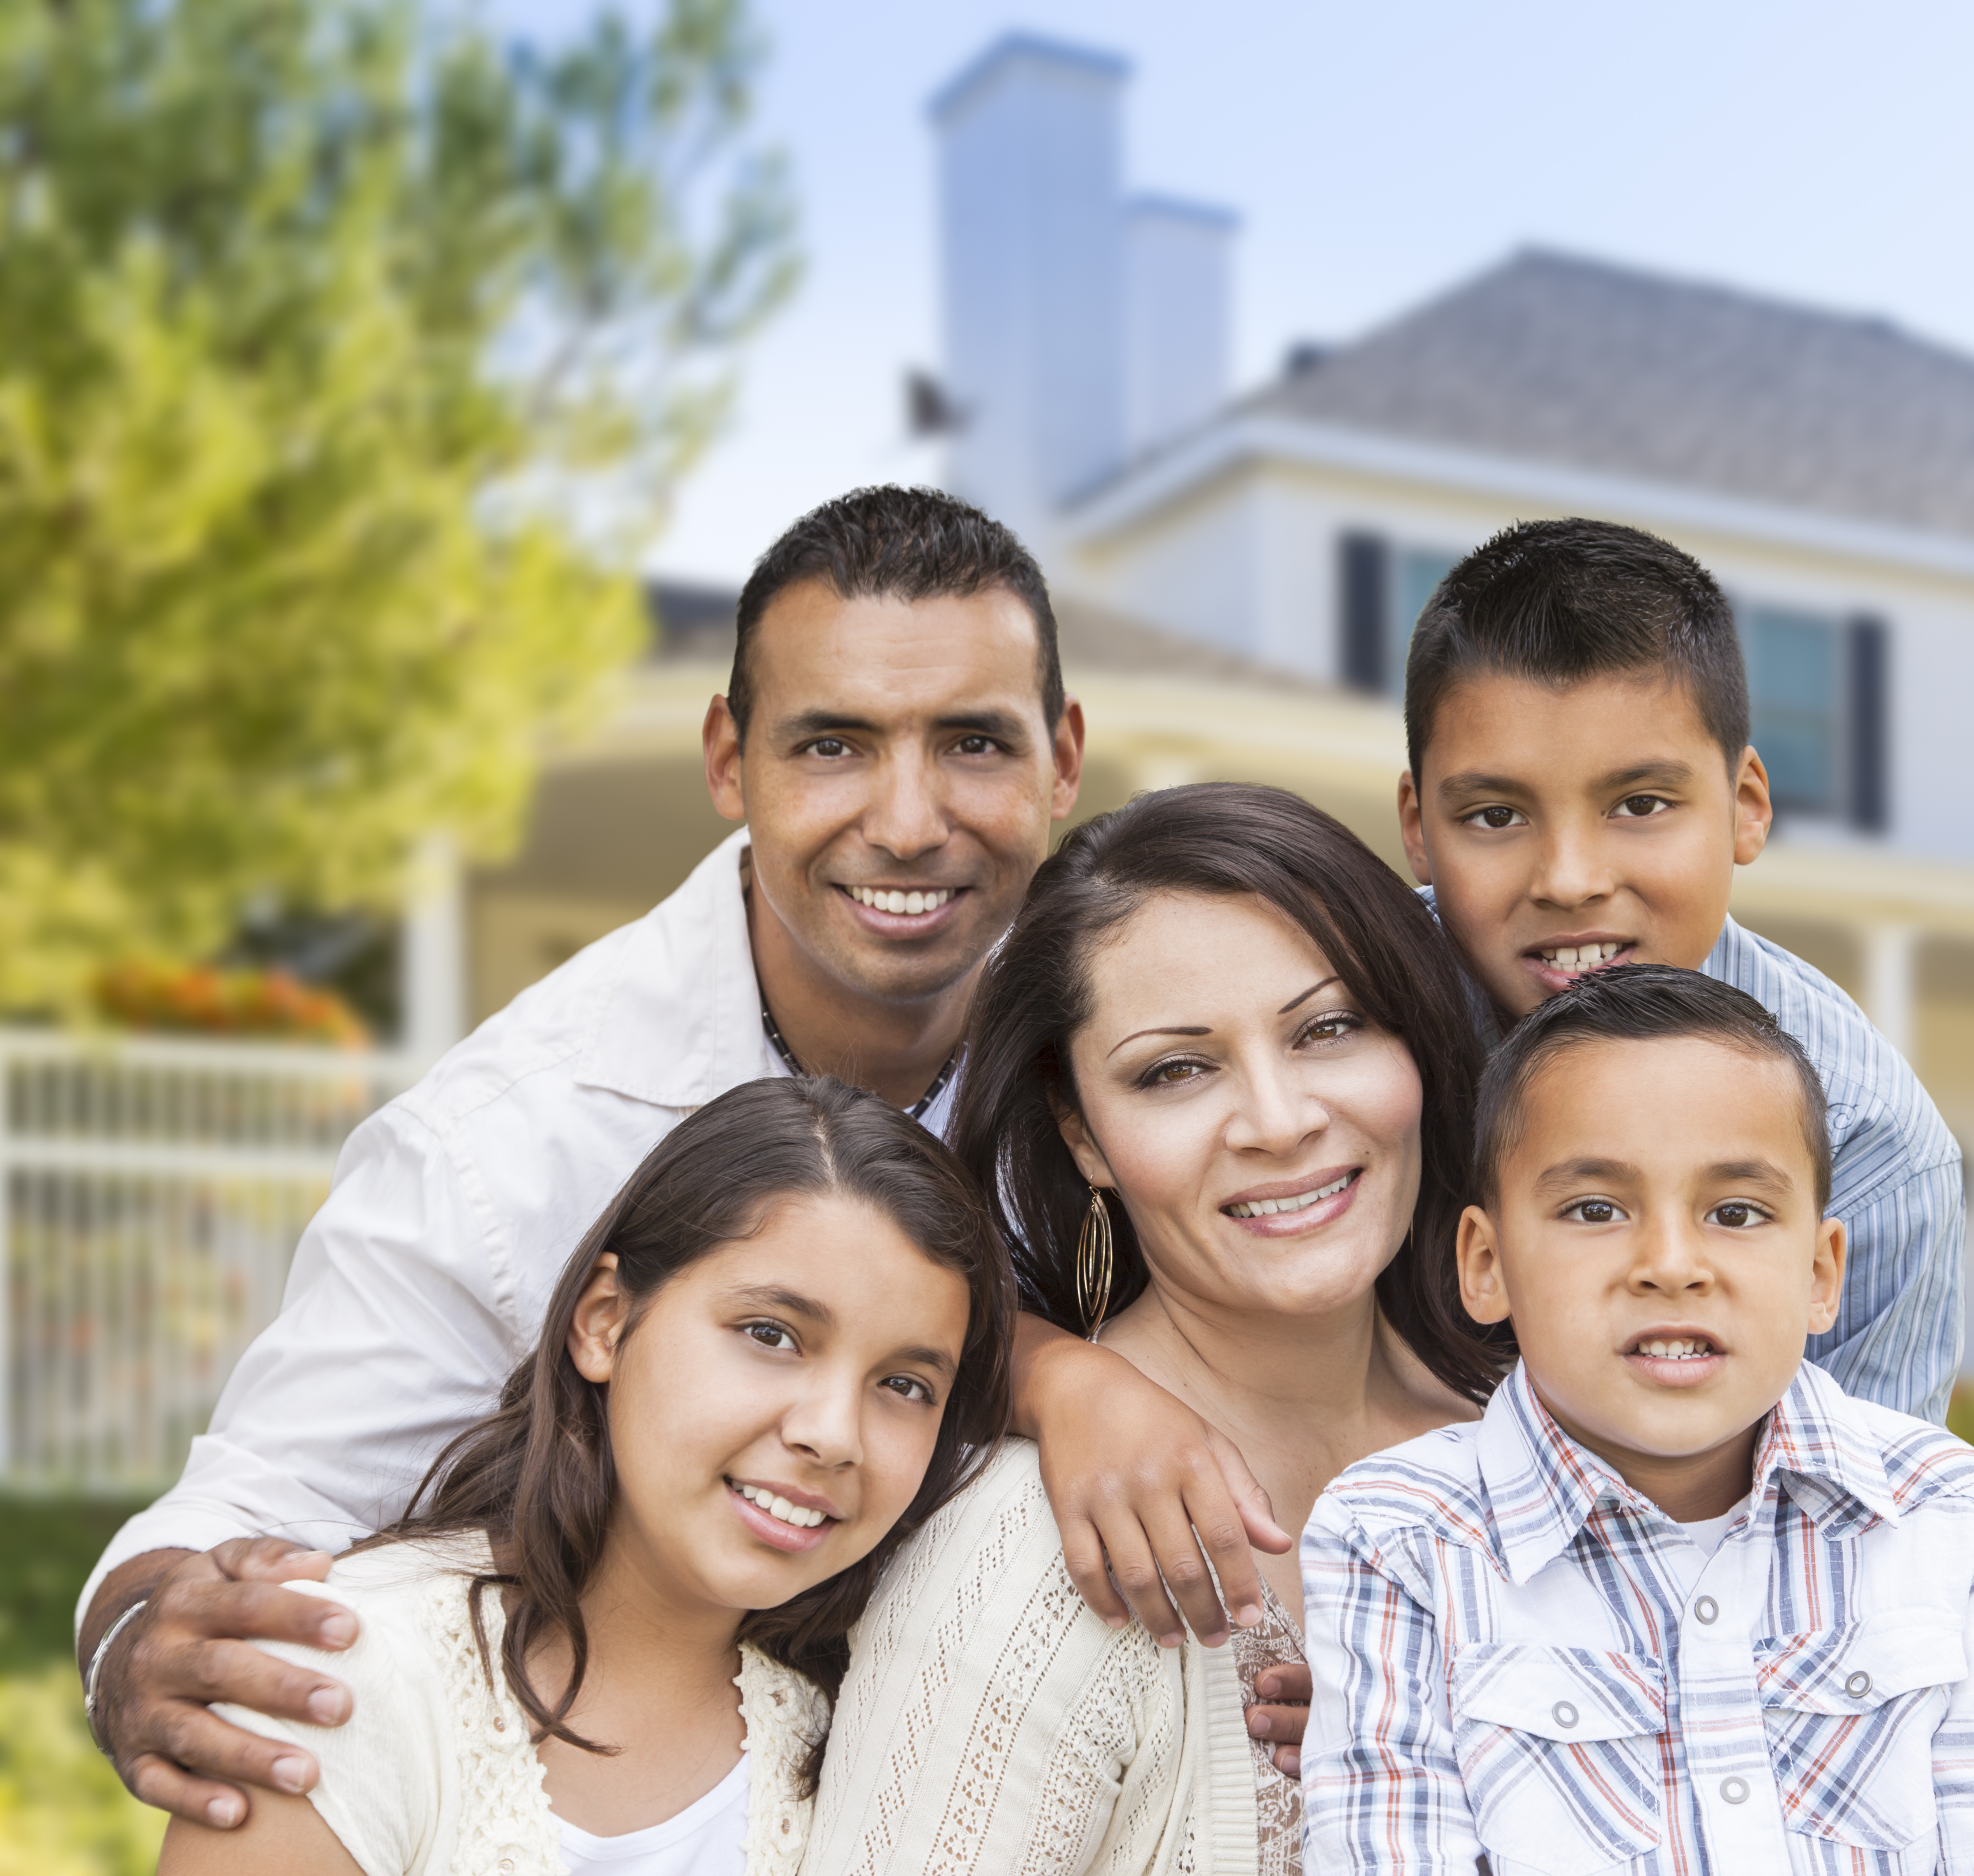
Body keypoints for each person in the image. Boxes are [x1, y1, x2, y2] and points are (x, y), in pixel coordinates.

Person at [83, 487, 1291, 1832]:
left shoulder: (1132, 1030)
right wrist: (146, 1636)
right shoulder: (508, 1141)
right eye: (832, 745)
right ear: (729, 757)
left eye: (972, 744)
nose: (905, 820)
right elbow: (264, 1500)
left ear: (1063, 760)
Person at [804, 784, 1509, 1874]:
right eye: (1176, 1070)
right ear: (1084, 1132)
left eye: (1330, 1027)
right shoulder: (1029, 1555)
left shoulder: (1548, 1454)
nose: (1281, 1122)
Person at [1300, 966, 1974, 1874]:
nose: (1671, 1265)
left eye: (1736, 1212)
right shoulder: (1400, 1538)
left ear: (1820, 1273)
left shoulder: (1955, 1517)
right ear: (1485, 1263)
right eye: (1595, 1209)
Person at [163, 1075, 1014, 1876]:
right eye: (770, 1334)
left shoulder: (883, 1720)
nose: (833, 1437)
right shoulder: (344, 1676)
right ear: (605, 1322)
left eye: (905, 1386)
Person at [1394, 516, 1967, 1421]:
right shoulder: (1332, 1023)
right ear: (1418, 826)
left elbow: (1864, 1526)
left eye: (1641, 803)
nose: (1570, 881)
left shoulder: (1871, 1146)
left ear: (1744, 807)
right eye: (1496, 817)